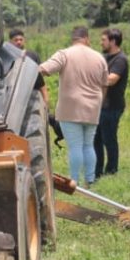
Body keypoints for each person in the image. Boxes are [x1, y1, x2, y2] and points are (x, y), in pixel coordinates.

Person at [39, 26, 109, 187]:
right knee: (88, 145)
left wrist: (29, 69)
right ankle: (90, 180)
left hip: (71, 108)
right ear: (87, 38)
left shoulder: (65, 54)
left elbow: (44, 69)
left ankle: (74, 181)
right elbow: (105, 84)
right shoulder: (99, 57)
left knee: (75, 146)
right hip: (93, 108)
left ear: (74, 39)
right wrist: (99, 102)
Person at [93, 27, 129, 180]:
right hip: (100, 106)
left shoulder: (120, 59)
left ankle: (112, 170)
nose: (101, 42)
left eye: (103, 40)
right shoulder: (104, 57)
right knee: (96, 140)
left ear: (113, 41)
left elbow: (111, 80)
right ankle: (97, 171)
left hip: (112, 106)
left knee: (109, 139)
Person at [9, 28, 48, 106]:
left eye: (21, 39)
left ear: (24, 40)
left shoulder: (32, 55)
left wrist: (46, 99)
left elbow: (39, 79)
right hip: (11, 94)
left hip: (32, 93)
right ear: (10, 42)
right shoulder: (7, 57)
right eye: (16, 40)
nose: (19, 42)